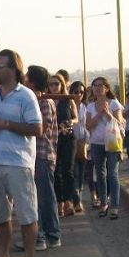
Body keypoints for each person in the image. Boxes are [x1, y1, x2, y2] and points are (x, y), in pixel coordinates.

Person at [0, 49, 42, 257]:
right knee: (0, 217)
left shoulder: (25, 96)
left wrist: (6, 124)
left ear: (13, 69)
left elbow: (37, 128)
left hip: (19, 162)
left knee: (26, 214)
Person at [23, 66, 60, 251]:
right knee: (36, 197)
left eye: (27, 77)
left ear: (33, 81)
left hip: (43, 154)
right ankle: (42, 236)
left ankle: (49, 235)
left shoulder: (44, 102)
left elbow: (40, 129)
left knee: (44, 197)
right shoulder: (34, 100)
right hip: (34, 155)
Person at [86, 77, 124, 219]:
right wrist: (99, 114)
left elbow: (119, 124)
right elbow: (88, 126)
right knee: (100, 174)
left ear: (106, 88)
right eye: (95, 85)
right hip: (96, 143)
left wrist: (107, 113)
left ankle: (114, 206)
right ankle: (103, 203)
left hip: (112, 143)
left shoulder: (114, 104)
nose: (97, 88)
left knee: (112, 174)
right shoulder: (90, 106)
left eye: (100, 85)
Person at [50, 75, 78, 218]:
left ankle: (68, 202)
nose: (54, 86)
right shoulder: (47, 100)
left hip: (68, 138)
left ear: (61, 85)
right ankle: (59, 202)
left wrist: (69, 122)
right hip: (54, 139)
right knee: (55, 172)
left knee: (68, 170)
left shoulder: (67, 100)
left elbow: (76, 117)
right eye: (51, 84)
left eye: (56, 84)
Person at [69, 81, 90, 214]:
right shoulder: (68, 106)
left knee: (81, 173)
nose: (78, 94)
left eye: (81, 92)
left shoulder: (84, 107)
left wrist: (87, 141)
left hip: (83, 141)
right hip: (71, 142)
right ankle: (76, 201)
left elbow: (86, 125)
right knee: (73, 173)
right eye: (76, 92)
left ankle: (78, 199)